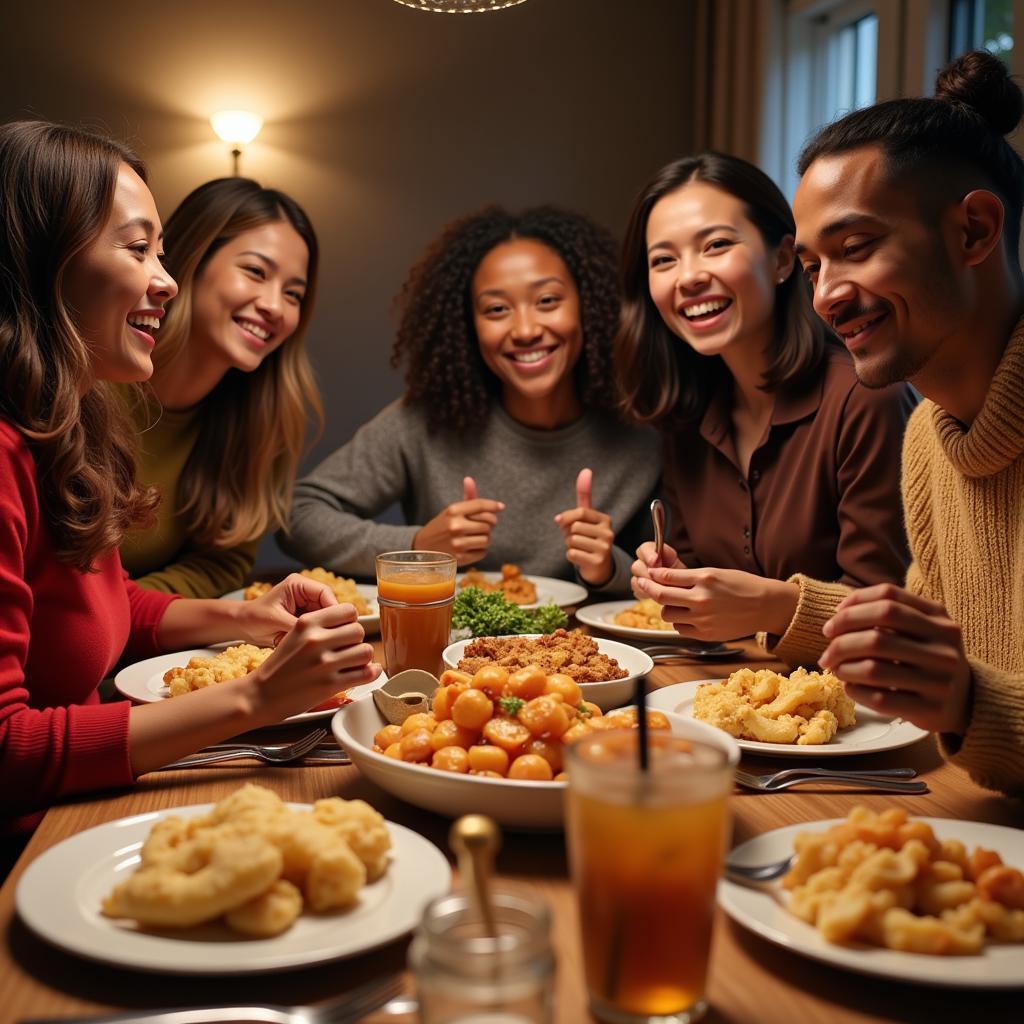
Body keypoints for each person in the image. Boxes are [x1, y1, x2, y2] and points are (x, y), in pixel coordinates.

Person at [0, 121, 378, 848]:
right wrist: (258, 696)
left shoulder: (66, 426)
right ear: (45, 259)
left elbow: (101, 602)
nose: (163, 280)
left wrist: (245, 618)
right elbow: (10, 750)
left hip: (93, 796)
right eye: (138, 248)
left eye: (162, 253)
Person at [788, 50, 1024, 795]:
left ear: (975, 231)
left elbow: (959, 683)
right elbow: (928, 636)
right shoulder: (928, 436)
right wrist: (782, 604)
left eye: (854, 249)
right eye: (810, 266)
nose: (826, 295)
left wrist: (970, 702)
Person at [283, 205, 660, 592]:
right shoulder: (424, 422)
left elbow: (678, 573)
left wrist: (607, 567)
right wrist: (416, 548)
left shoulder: (644, 430)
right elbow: (297, 516)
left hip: (588, 650)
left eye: (547, 300)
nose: (526, 329)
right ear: (468, 327)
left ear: (589, 307)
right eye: (497, 309)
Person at [620, 153, 915, 641]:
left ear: (782, 260)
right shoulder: (686, 415)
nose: (688, 276)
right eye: (663, 260)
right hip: (720, 694)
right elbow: (701, 580)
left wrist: (773, 608)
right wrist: (674, 580)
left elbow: (894, 607)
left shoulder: (866, 399)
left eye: (715, 245)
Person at [119, 178, 323, 598]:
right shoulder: (90, 383)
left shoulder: (264, 419)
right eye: (255, 271)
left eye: (293, 294)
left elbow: (220, 563)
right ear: (192, 261)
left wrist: (130, 611)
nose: (273, 306)